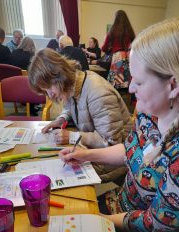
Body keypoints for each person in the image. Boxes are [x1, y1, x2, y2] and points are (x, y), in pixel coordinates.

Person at [58, 18, 179, 232]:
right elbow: (131, 151)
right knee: (65, 213)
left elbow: (156, 223)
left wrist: (100, 222)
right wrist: (86, 155)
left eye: (139, 81)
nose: (131, 88)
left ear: (174, 85)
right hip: (121, 208)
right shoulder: (152, 110)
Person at [28, 48, 133, 182]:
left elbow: (110, 142)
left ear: (58, 76)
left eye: (49, 88)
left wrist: (72, 136)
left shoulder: (98, 93)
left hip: (117, 159)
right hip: (95, 149)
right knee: (56, 164)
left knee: (59, 173)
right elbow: (70, 107)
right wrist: (61, 120)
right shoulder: (74, 83)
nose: (50, 95)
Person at [102, 10, 135, 89]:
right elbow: (135, 44)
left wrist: (110, 48)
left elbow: (104, 48)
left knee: (115, 83)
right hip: (128, 56)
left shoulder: (113, 30)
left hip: (117, 56)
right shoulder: (130, 31)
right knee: (126, 81)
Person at [10, 36, 37, 116]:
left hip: (13, 81)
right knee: (35, 79)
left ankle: (27, 104)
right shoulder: (29, 56)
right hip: (26, 84)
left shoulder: (14, 52)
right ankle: (32, 108)